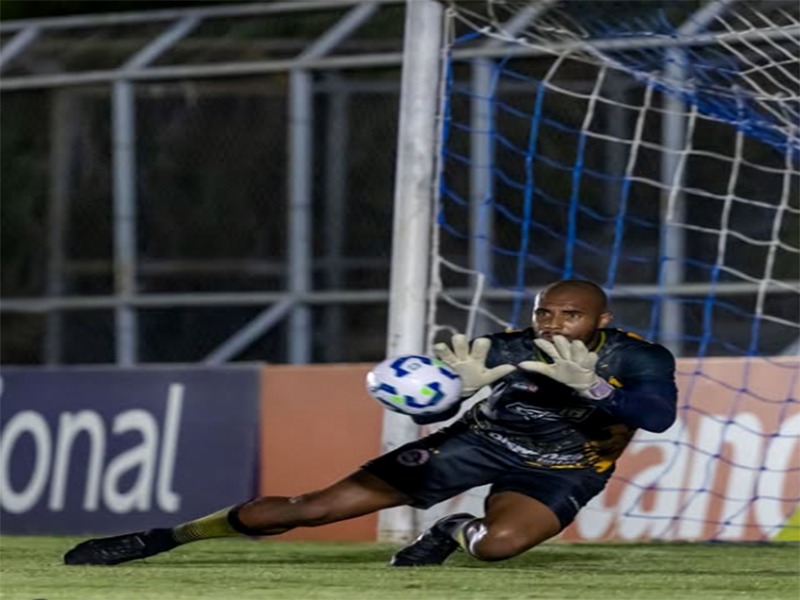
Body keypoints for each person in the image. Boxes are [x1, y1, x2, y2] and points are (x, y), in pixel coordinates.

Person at [64, 279, 677, 567]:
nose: (552, 324)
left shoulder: (640, 357)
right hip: (474, 446)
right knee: (308, 508)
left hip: (565, 469)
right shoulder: (503, 347)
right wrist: (443, 395)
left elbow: (659, 417)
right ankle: (167, 538)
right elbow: (430, 408)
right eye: (544, 311)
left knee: (499, 548)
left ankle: (453, 529)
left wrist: (594, 387)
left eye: (569, 315)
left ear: (601, 318)